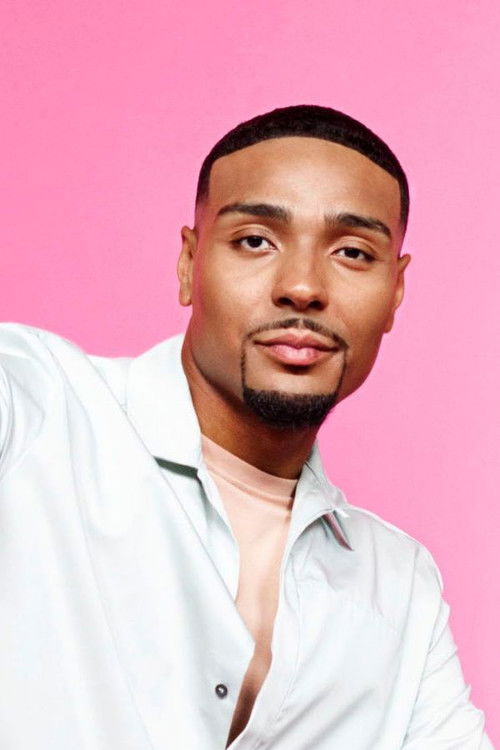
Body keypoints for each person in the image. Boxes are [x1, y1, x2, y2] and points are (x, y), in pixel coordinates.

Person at [0, 104, 492, 749]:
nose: (302, 287)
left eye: (352, 252)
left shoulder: (399, 586)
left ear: (395, 292)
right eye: (256, 240)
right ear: (189, 262)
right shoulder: (36, 406)